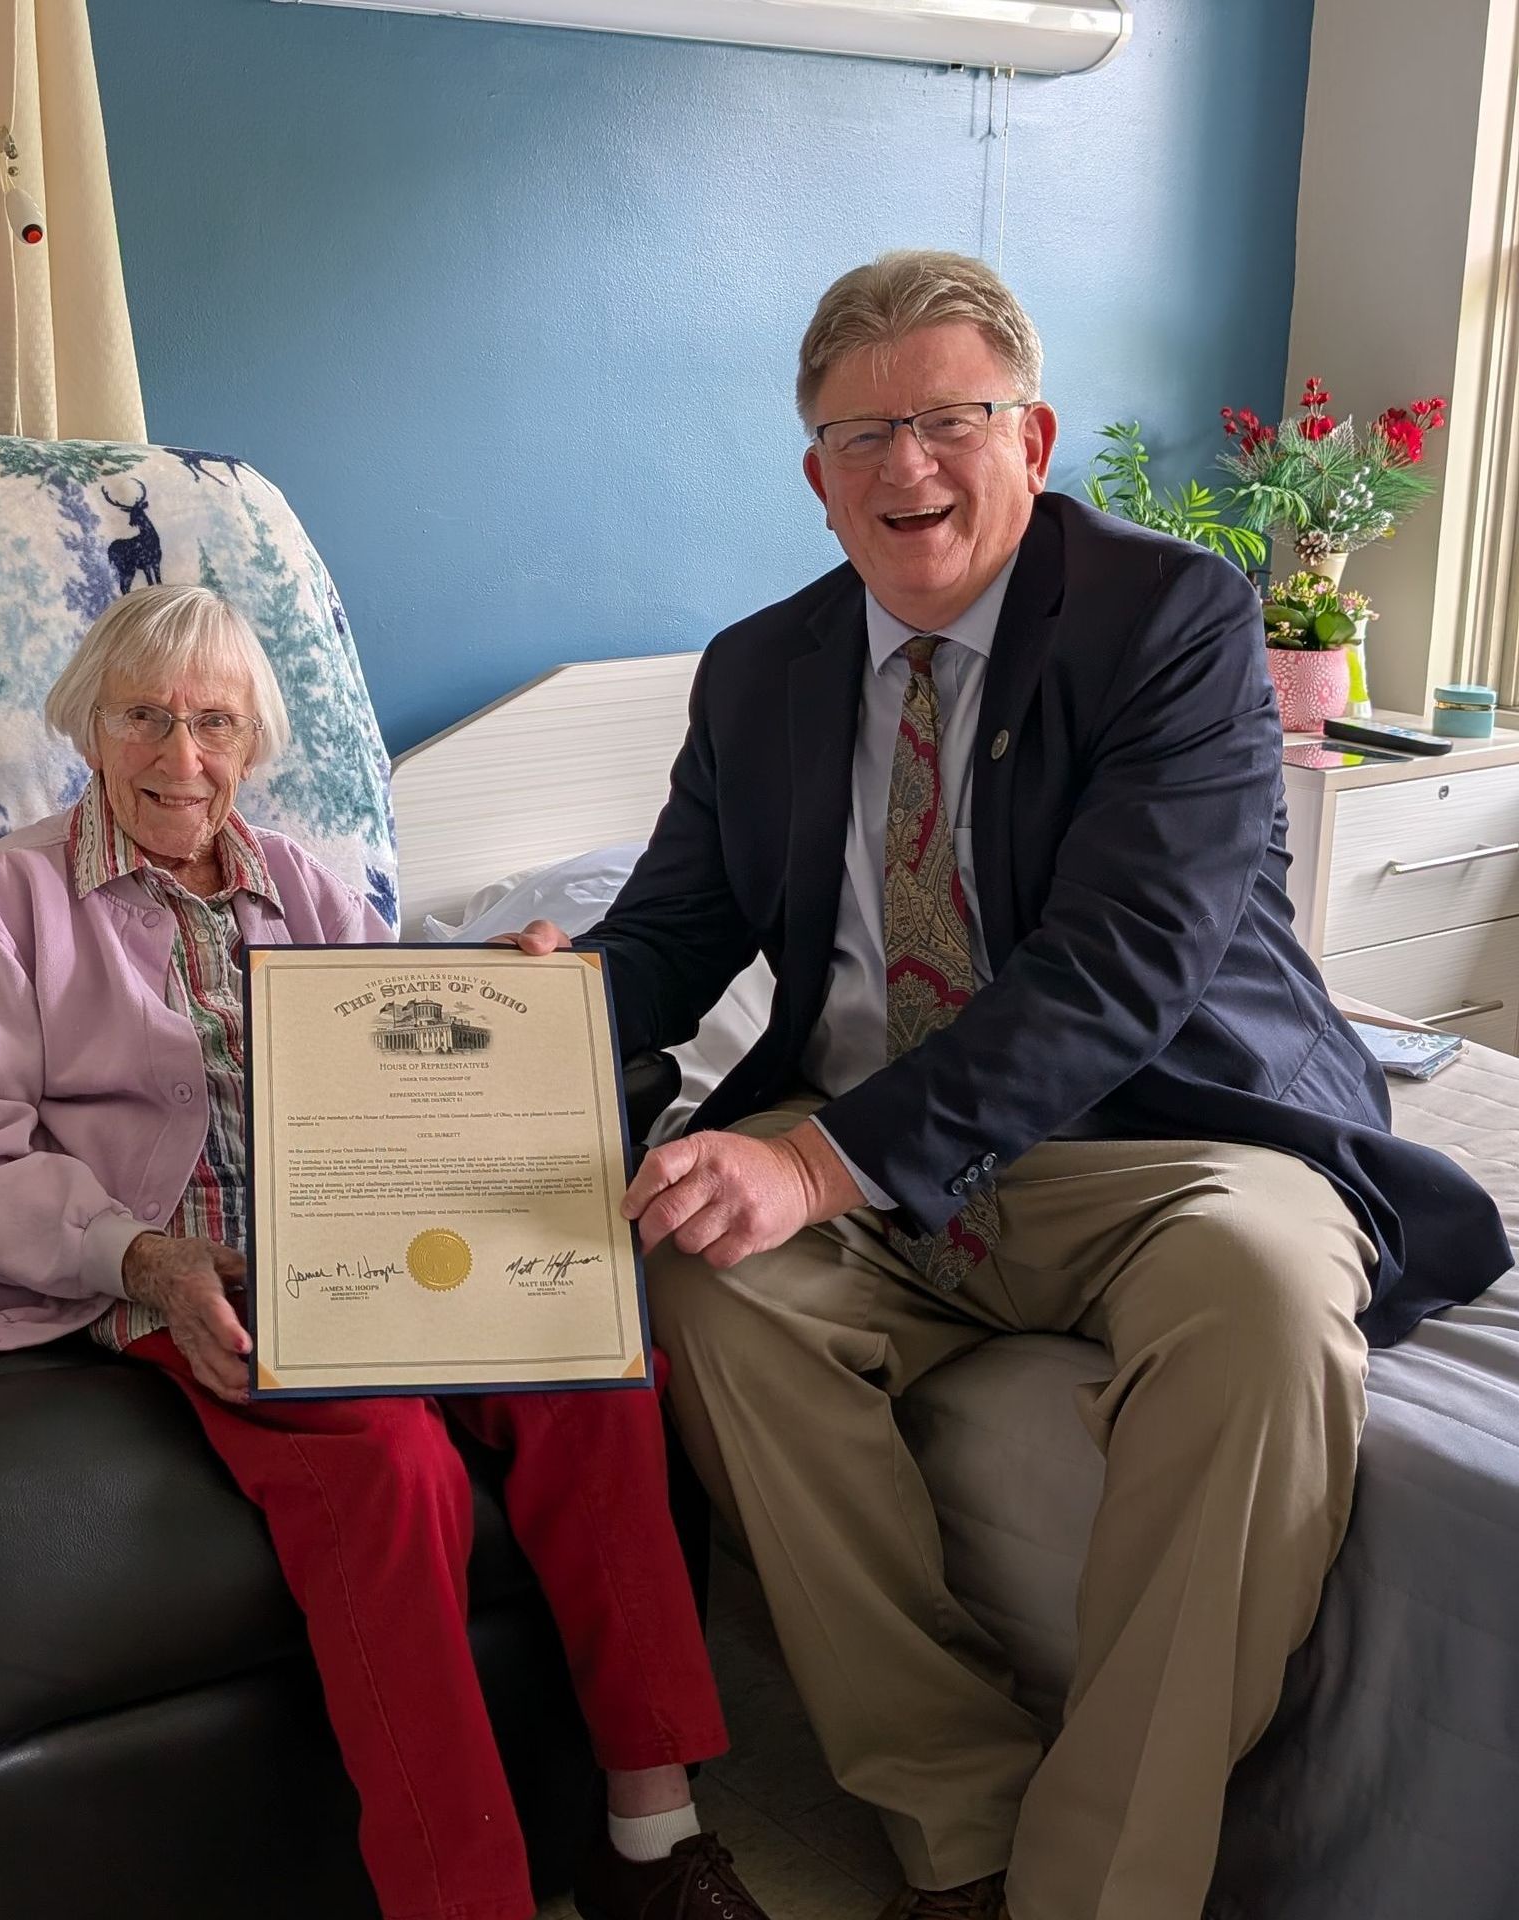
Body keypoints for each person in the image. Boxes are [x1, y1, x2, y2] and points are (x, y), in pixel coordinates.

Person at [502, 252, 1512, 1920]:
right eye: (861, 433)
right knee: (690, 1275)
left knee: (1266, 1301)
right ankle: (959, 1825)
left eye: (950, 420)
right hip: (875, 1149)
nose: (908, 466)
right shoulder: (756, 672)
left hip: (1168, 1136)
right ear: (813, 477)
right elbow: (676, 932)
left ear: (1031, 435)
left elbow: (1123, 965)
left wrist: (818, 1167)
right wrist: (546, 1006)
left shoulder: (1172, 620)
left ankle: (1094, 1889)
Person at [0, 583, 778, 1920]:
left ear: (252, 744)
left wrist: (501, 998)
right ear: (89, 726)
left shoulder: (305, 883)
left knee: (599, 1371)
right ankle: (459, 1893)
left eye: (213, 723)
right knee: (385, 1457)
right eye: (144, 717)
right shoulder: (6, 902)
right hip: (154, 1272)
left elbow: (393, 1066)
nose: (179, 758)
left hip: (356, 1256)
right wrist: (146, 1261)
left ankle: (650, 1831)